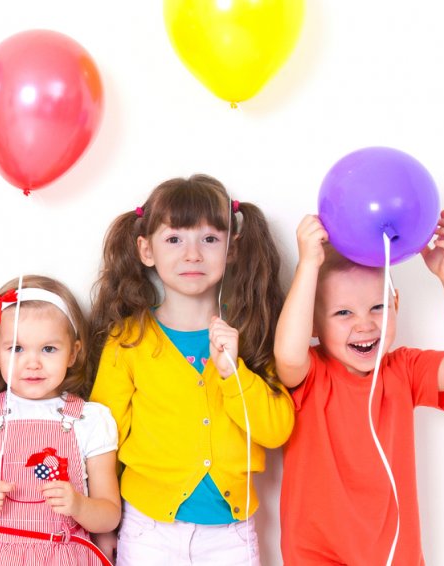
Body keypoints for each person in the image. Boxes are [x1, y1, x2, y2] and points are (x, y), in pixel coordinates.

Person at [89, 175, 293, 565]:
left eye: (210, 239)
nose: (193, 254)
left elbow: (276, 429)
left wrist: (233, 373)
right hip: (146, 527)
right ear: (146, 250)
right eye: (174, 239)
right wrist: (103, 524)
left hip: (230, 533)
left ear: (232, 249)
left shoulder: (250, 330)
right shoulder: (128, 339)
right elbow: (102, 440)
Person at [275, 212, 444, 565]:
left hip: (395, 557)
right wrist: (308, 266)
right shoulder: (310, 373)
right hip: (314, 555)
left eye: (378, 307)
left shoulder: (403, 369)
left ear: (396, 305)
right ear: (312, 323)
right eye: (343, 313)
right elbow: (286, 354)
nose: (365, 324)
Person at [0, 275, 120, 566]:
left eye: (49, 349)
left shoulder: (91, 420)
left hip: (62, 556)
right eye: (16, 348)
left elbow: (110, 515)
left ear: (74, 352)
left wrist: (79, 505)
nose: (33, 362)